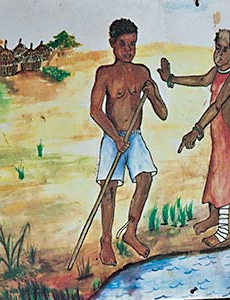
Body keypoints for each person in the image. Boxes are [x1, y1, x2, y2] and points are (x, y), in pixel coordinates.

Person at [89, 18, 167, 265]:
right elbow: (95, 111)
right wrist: (114, 136)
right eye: (123, 44)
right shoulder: (105, 73)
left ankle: (130, 231)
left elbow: (163, 113)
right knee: (108, 188)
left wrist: (153, 94)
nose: (128, 50)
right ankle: (106, 240)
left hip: (134, 136)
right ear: (112, 44)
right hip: (113, 137)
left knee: (145, 178)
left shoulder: (142, 72)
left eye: (132, 44)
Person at [158, 29, 230, 247]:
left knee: (223, 179)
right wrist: (171, 79)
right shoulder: (217, 71)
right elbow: (201, 80)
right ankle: (213, 217)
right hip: (217, 133)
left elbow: (216, 106)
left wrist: (196, 130)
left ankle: (223, 231)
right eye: (217, 48)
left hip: (228, 134)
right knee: (214, 175)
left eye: (224, 50)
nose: (219, 54)